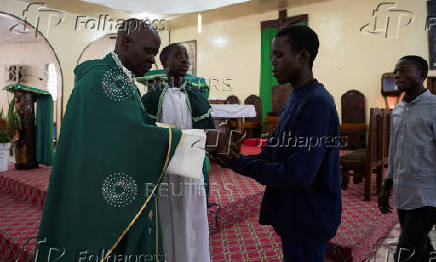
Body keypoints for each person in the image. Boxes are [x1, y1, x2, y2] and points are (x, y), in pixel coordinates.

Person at [35, 19, 207, 262]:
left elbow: (132, 129)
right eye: (148, 52)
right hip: (94, 193)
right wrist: (194, 143)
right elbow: (130, 138)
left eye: (156, 54)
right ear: (125, 43)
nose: (153, 60)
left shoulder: (120, 80)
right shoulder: (100, 81)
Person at [215, 25, 342, 262]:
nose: (272, 62)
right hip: (294, 211)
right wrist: (235, 159)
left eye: (279, 55)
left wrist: (241, 164)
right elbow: (274, 149)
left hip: (309, 214)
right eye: (272, 55)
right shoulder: (297, 95)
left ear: (303, 56)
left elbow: (298, 174)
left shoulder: (317, 104)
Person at [141, 43, 215, 262]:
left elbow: (209, 129)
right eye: (177, 55)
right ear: (164, 64)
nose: (184, 60)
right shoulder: (153, 97)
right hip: (164, 172)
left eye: (186, 56)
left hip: (191, 171)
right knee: (166, 217)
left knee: (191, 215)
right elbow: (144, 133)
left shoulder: (195, 95)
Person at [378, 55, 436, 262]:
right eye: (395, 71)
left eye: (403, 70)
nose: (397, 75)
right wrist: (387, 185)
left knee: (406, 248)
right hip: (404, 190)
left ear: (421, 73)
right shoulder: (399, 109)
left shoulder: (434, 107)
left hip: (427, 193)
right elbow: (395, 149)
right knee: (420, 244)